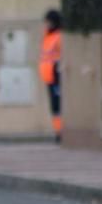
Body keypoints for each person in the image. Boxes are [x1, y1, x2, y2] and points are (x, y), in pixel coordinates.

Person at [39, 9, 63, 144]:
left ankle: (60, 133)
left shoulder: (59, 36)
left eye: (48, 21)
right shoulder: (47, 35)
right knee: (54, 107)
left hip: (56, 76)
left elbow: (60, 56)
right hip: (48, 77)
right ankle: (58, 131)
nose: (46, 24)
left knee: (58, 107)